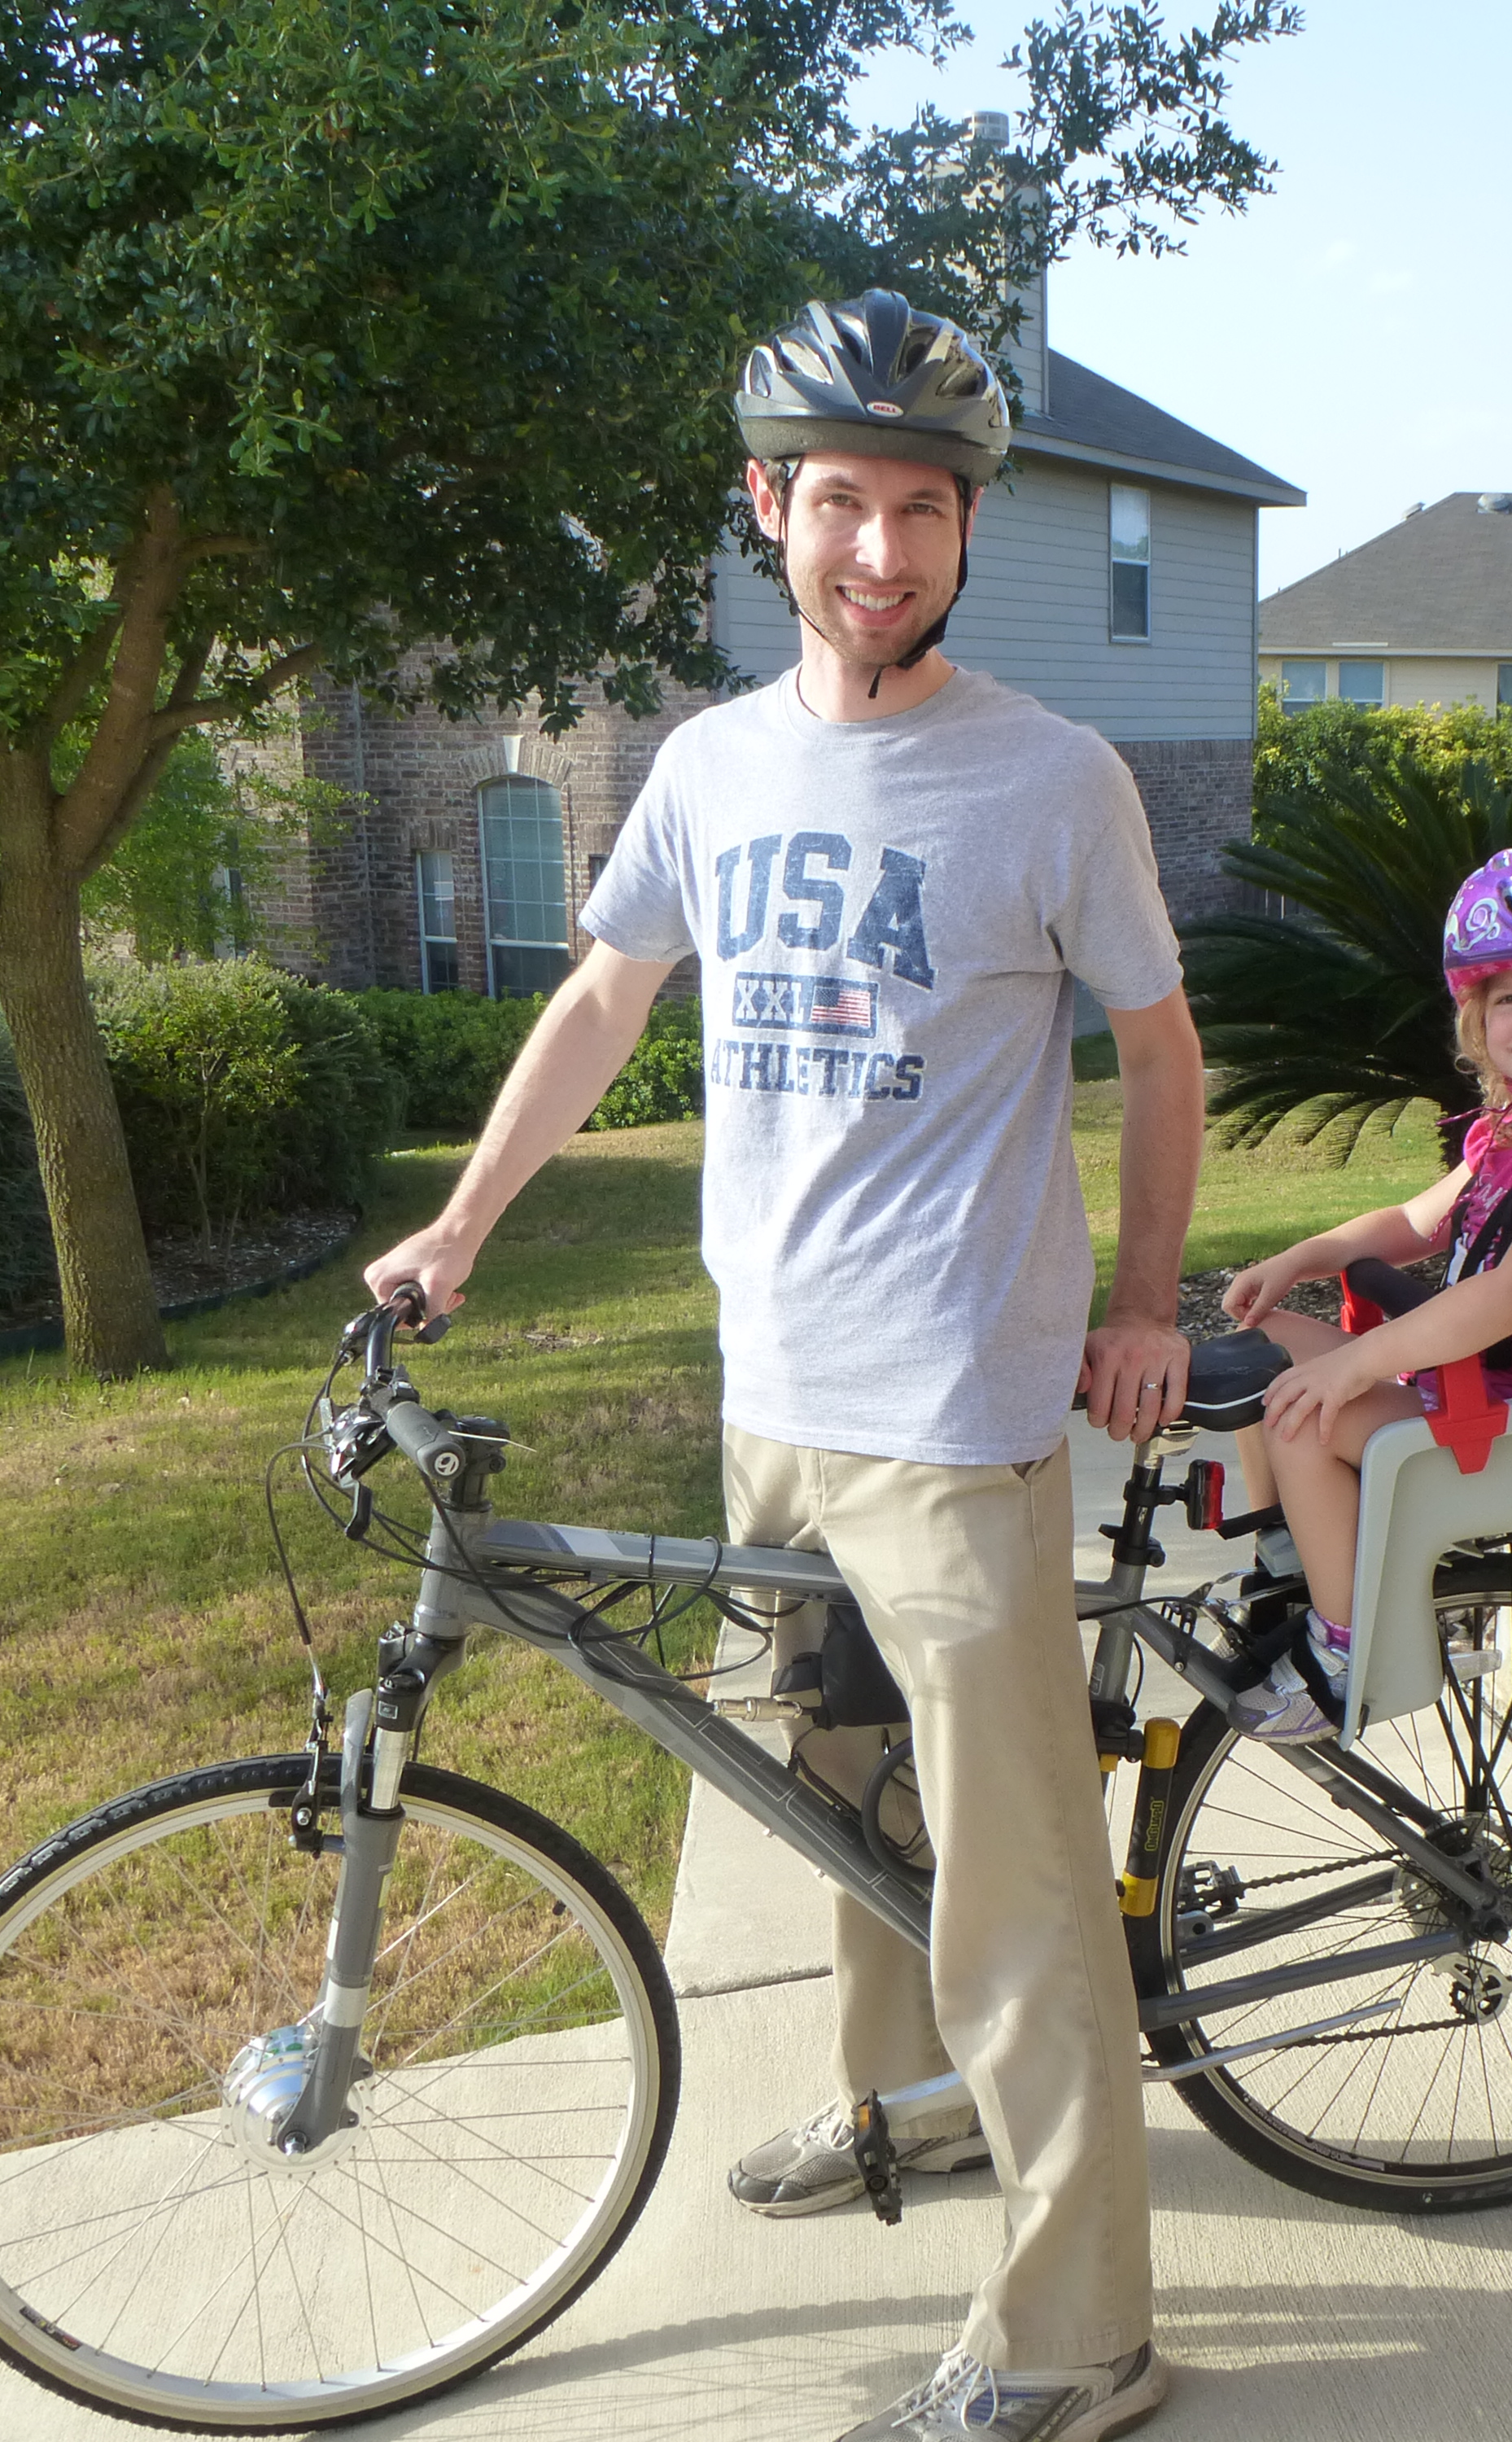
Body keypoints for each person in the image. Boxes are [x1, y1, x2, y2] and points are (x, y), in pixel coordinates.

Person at [361, 288, 1196, 2442]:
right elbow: (605, 1006)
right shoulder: (711, 768)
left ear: (963, 530)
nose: (882, 550)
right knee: (836, 1813)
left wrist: (1143, 1301)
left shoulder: (1052, 775)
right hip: (780, 1400)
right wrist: (461, 1220)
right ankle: (901, 2112)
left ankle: (1080, 2334)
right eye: (842, 502)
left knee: (1015, 1887)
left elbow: (1163, 1048)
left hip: (963, 1416)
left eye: (923, 509)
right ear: (770, 509)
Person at [1215, 841, 1512, 1741]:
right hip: (1462, 1395)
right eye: (1509, 998)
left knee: (1300, 1407)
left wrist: (1358, 1368)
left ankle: (1348, 1649)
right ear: (1477, 1018)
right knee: (1272, 1350)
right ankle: (1290, 1566)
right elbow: (1414, 1223)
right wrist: (1301, 1257)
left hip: (1506, 1423)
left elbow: (1511, 1293)